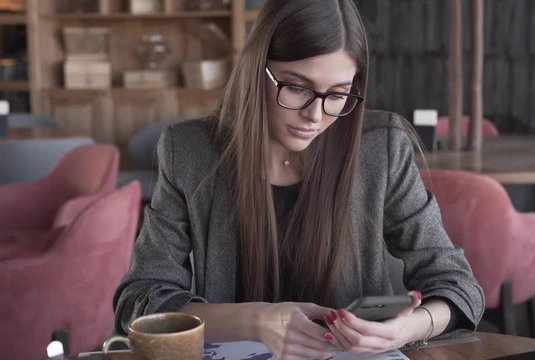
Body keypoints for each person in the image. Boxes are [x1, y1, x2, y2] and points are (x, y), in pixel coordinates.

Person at [113, 0, 484, 358]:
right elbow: (140, 300)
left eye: (338, 94)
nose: (315, 115)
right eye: (296, 87)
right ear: (257, 68)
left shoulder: (382, 149)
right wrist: (256, 321)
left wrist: (408, 328)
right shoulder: (189, 152)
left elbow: (458, 285)